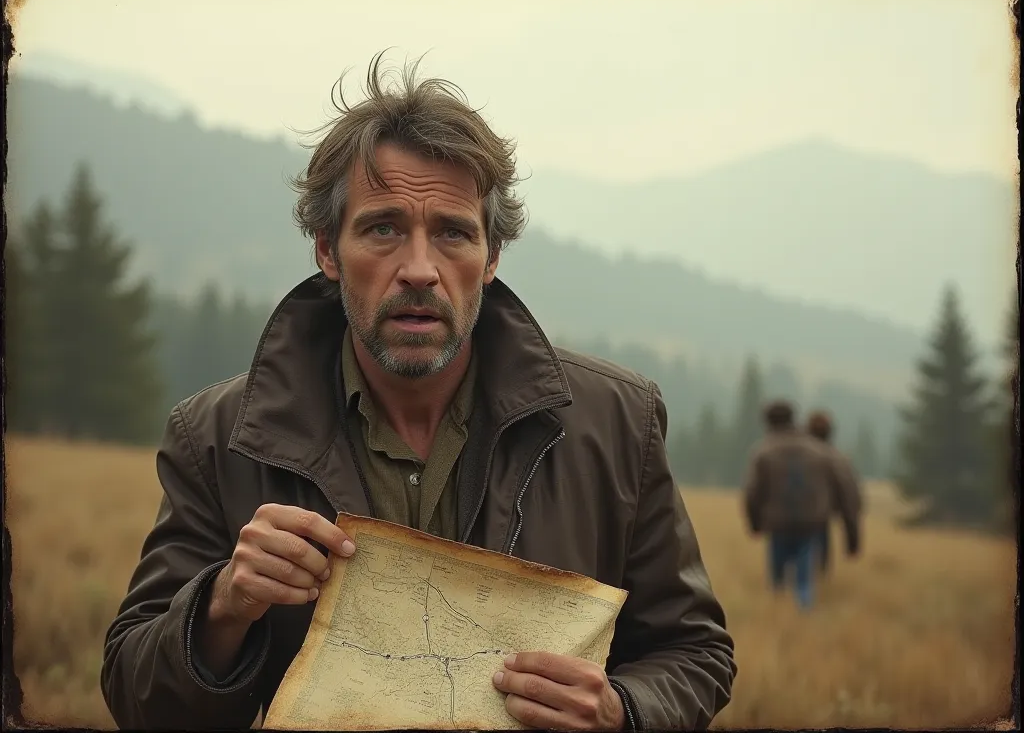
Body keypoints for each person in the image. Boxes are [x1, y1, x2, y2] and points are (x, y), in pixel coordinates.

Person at [100, 53, 737, 731]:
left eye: (453, 233)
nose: (420, 270)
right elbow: (139, 698)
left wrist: (622, 711)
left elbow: (695, 653)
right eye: (383, 228)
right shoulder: (217, 436)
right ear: (325, 248)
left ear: (491, 258)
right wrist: (223, 605)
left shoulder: (616, 421)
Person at [742, 400, 858, 610]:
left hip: (778, 525)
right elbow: (844, 491)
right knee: (805, 582)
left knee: (777, 584)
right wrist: (852, 536)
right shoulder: (819, 451)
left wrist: (755, 523)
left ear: (767, 422)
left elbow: (752, 492)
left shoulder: (763, 452)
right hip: (811, 524)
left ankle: (777, 618)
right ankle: (805, 615)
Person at [805, 409, 863, 574]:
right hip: (821, 520)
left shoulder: (791, 457)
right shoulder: (838, 459)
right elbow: (850, 501)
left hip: (788, 522)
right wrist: (853, 541)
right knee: (819, 572)